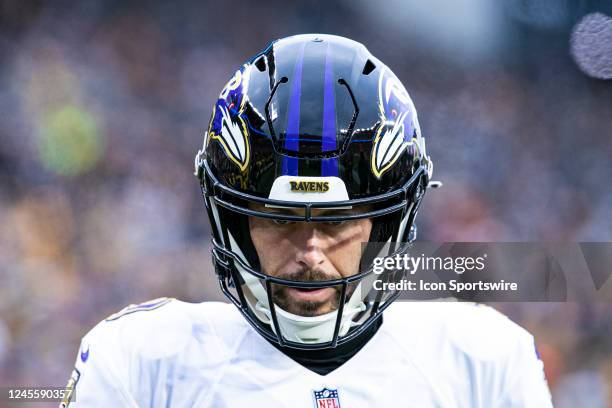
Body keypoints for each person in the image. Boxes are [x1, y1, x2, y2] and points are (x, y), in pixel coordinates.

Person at [61, 34, 553, 407]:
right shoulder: (141, 362)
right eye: (279, 220)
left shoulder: (483, 363)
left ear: (387, 227)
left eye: (337, 222)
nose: (310, 252)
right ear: (233, 221)